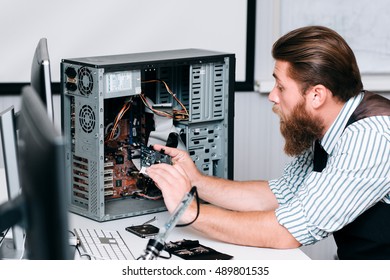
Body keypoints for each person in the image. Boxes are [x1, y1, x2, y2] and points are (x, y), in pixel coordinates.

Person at [146, 26, 390, 259]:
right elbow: (278, 195)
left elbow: (287, 232)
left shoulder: (371, 139)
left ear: (316, 95)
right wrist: (196, 181)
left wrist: (189, 212)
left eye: (281, 87)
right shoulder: (331, 126)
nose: (273, 96)